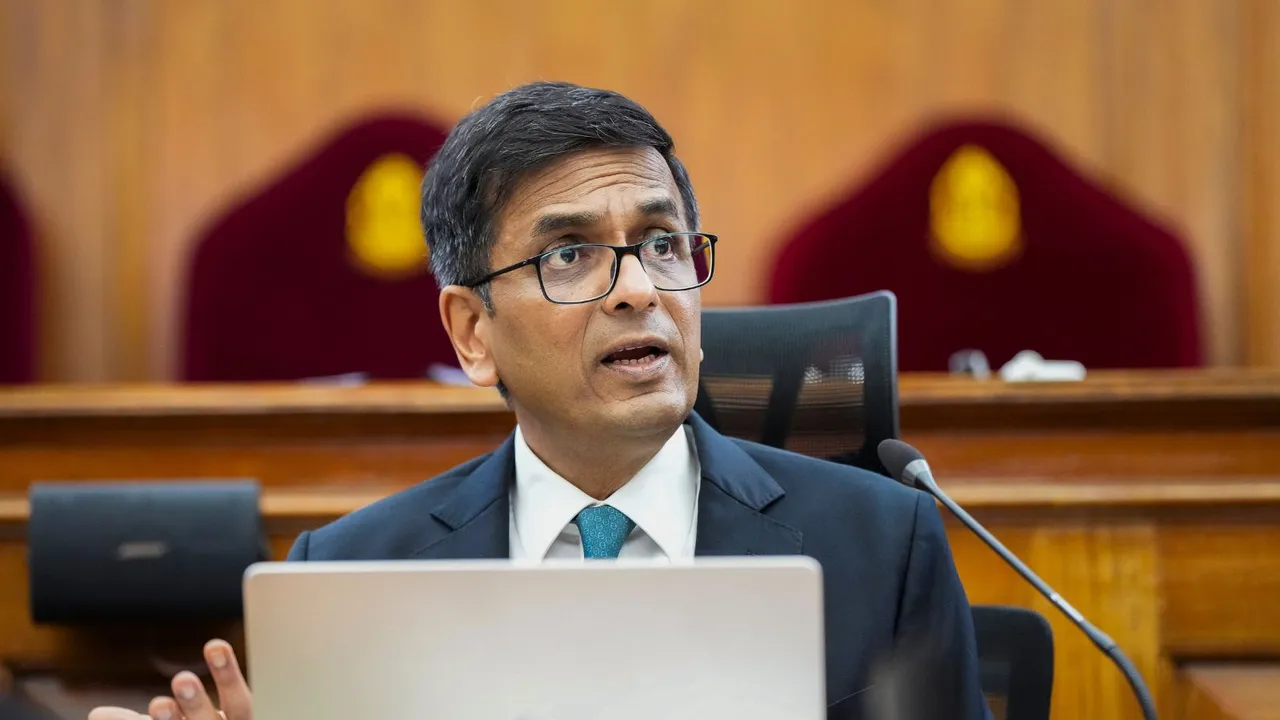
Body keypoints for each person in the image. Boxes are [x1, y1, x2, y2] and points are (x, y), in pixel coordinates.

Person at [90, 81, 990, 720]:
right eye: (570, 255)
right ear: (472, 333)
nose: (638, 288)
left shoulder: (885, 542)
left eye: (663, 243)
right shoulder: (350, 574)